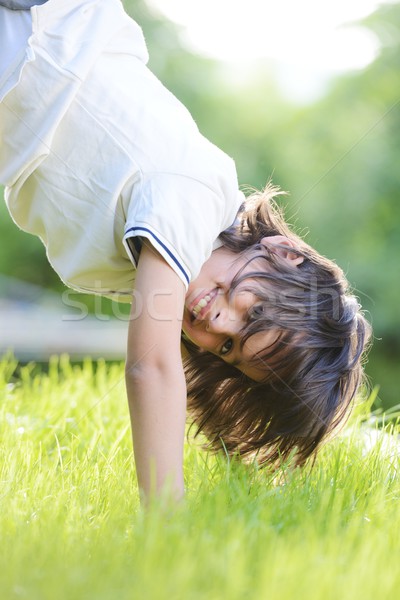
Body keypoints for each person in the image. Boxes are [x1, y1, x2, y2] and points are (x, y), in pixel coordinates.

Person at [0, 0, 371, 503]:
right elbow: (150, 367)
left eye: (229, 349)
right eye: (252, 312)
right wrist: (166, 519)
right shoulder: (191, 201)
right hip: (31, 32)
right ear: (285, 252)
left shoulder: (150, 265)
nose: (218, 325)